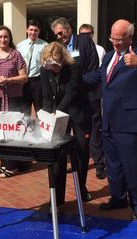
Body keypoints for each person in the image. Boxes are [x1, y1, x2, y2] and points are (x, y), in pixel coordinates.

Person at [83, 19, 137, 221]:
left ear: (130, 37)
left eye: (119, 39)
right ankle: (118, 198)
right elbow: (98, 76)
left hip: (130, 122)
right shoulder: (109, 57)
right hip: (109, 120)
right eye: (112, 39)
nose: (115, 43)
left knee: (132, 164)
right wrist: (72, 77)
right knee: (113, 164)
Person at [51, 17, 104, 185]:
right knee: (60, 145)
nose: (59, 36)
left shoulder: (85, 42)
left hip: (84, 102)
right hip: (64, 105)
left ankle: (84, 184)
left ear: (69, 29)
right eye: (56, 34)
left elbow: (94, 71)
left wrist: (74, 85)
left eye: (61, 32)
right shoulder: (57, 47)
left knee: (84, 144)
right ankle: (59, 194)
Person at [41, 41, 92, 206]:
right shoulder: (45, 70)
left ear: (63, 59)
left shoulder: (74, 68)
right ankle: (57, 197)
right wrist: (46, 116)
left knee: (81, 150)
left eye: (56, 65)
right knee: (58, 152)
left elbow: (71, 93)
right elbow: (47, 97)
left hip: (78, 112)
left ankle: (81, 188)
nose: (54, 69)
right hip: (58, 113)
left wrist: (57, 113)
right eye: (51, 65)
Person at [0, 25, 28, 178]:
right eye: (0, 36)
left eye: (6, 37)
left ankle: (13, 164)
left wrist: (8, 79)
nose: (3, 39)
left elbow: (24, 77)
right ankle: (3, 162)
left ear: (10, 38)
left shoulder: (16, 55)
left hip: (14, 97)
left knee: (14, 130)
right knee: (0, 130)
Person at [77, 23, 107, 180]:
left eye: (88, 33)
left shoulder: (100, 49)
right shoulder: (74, 47)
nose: (86, 36)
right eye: (83, 34)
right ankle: (77, 163)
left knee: (95, 129)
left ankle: (99, 164)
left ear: (93, 34)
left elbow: (100, 72)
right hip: (78, 95)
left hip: (93, 93)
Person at [17, 19, 48, 117]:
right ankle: (25, 131)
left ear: (39, 31)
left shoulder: (45, 45)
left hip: (38, 82)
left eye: (35, 30)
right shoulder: (20, 46)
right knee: (24, 111)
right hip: (23, 82)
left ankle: (41, 132)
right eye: (31, 30)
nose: (33, 32)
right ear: (27, 30)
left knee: (40, 110)